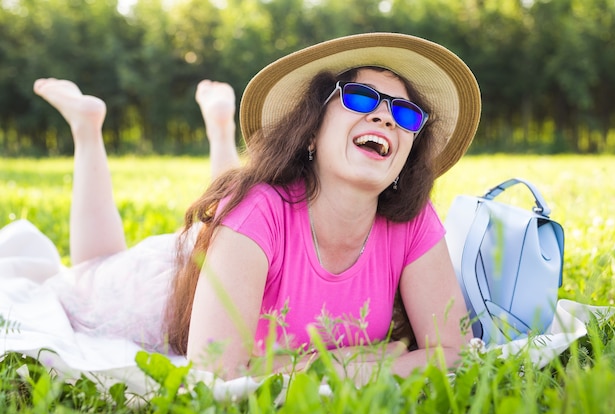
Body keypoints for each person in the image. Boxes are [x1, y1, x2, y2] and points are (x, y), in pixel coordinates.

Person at [30, 32, 481, 382]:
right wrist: (357, 361)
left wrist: (317, 367)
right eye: (361, 99)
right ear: (310, 133)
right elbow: (218, 374)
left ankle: (219, 127)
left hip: (235, 251)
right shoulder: (258, 209)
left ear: (406, 153)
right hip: (161, 288)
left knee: (239, 205)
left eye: (405, 115)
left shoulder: (413, 221)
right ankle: (87, 127)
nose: (386, 117)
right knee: (90, 269)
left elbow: (456, 354)